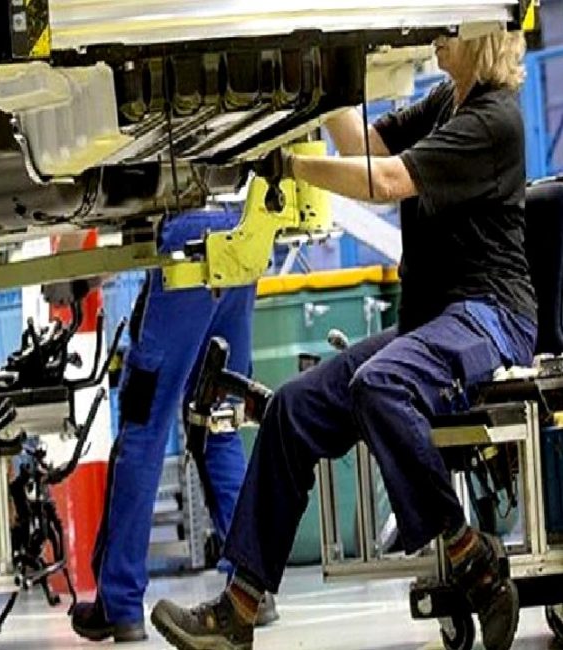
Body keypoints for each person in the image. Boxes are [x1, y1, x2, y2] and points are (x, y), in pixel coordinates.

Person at [150, 28, 534, 650]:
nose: (435, 34)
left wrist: (289, 166)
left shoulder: (495, 120)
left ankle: (470, 555)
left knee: (379, 384)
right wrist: (323, 71)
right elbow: (367, 144)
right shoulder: (447, 102)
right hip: (434, 321)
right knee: (292, 408)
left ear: (482, 35)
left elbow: (384, 181)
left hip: (488, 317)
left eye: (448, 27)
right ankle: (239, 609)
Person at [70, 208, 278, 643]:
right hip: (243, 232)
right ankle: (250, 587)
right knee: (219, 426)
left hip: (186, 239)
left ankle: (121, 604)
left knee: (143, 431)